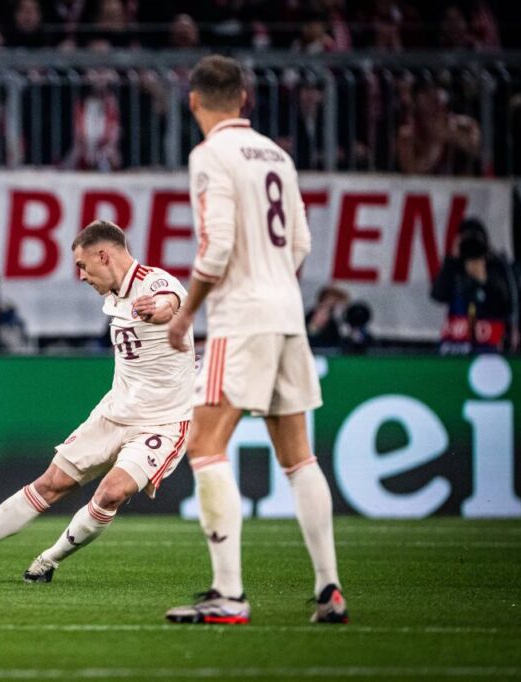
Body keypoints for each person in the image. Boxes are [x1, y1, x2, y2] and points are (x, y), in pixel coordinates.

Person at [165, 55, 347, 625]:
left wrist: (185, 313)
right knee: (298, 457)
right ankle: (329, 590)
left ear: (193, 101)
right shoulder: (277, 155)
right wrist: (272, 284)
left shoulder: (208, 155)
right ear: (244, 98)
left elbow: (216, 249)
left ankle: (230, 594)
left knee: (203, 442)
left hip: (242, 318)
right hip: (287, 313)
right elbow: (300, 244)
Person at [0, 220, 193, 583]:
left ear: (103, 255)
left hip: (162, 421)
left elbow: (171, 302)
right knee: (51, 483)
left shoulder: (156, 283)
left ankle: (49, 558)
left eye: (82, 265)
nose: (82, 276)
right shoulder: (112, 296)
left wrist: (162, 309)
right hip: (114, 411)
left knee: (112, 492)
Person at [431, 217, 517, 354]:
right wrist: (451, 260)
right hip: (456, 344)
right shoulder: (454, 268)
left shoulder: (496, 266)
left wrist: (483, 280)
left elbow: (505, 305)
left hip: (489, 344)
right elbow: (437, 295)